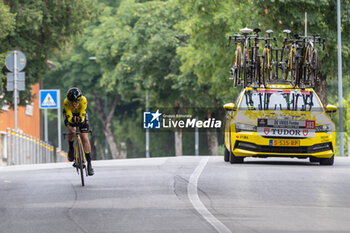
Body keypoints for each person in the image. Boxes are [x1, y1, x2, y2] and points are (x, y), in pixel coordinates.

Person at [63, 87, 94, 176]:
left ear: (79, 100)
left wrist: (80, 120)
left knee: (84, 137)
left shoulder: (83, 100)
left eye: (76, 102)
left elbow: (82, 116)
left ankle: (89, 164)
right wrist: (72, 120)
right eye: (72, 103)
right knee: (72, 130)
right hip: (70, 114)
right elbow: (68, 116)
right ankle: (71, 148)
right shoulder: (66, 103)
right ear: (69, 101)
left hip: (81, 113)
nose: (74, 105)